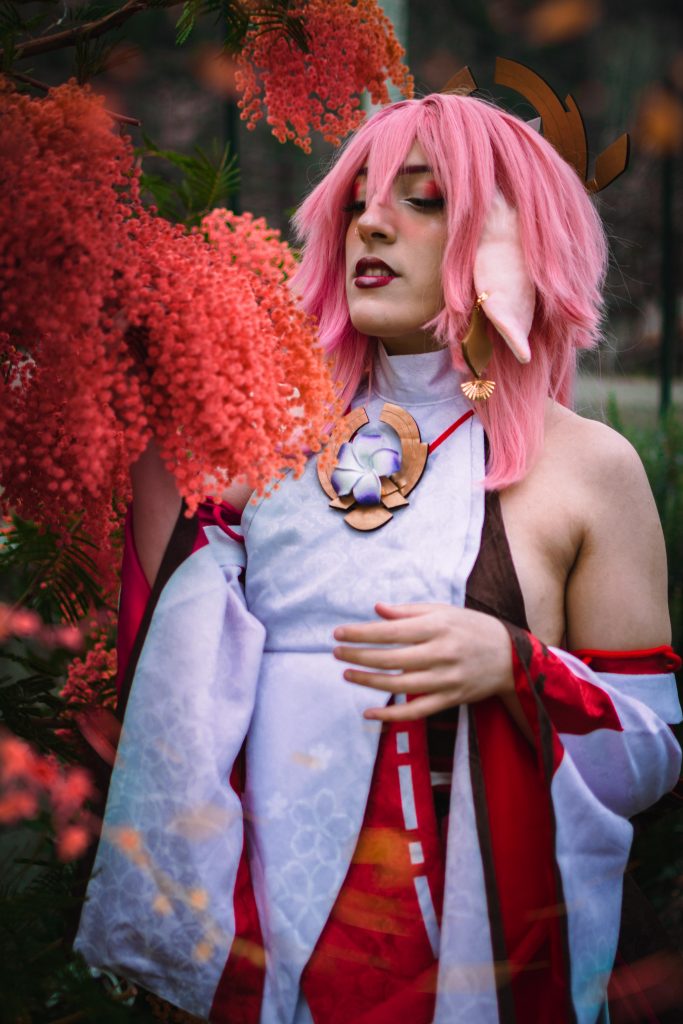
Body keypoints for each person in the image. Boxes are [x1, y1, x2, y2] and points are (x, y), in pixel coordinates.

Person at [75, 86, 682, 1024]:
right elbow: (167, 679)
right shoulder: (258, 444)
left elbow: (647, 759)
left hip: (486, 962)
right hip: (267, 953)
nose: (373, 224)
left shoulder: (588, 467)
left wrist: (517, 670)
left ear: (514, 238)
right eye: (357, 200)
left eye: (425, 198)